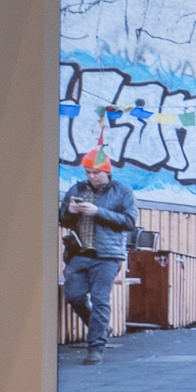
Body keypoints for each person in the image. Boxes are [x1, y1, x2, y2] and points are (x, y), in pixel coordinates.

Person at [58, 149, 138, 365]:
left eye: (95, 172)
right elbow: (62, 220)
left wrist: (98, 212)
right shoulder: (77, 189)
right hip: (78, 253)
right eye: (88, 172)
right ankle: (100, 327)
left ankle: (95, 348)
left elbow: (129, 222)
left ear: (107, 171)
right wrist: (70, 211)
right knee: (74, 296)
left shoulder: (123, 191)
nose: (91, 176)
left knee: (100, 299)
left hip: (107, 255)